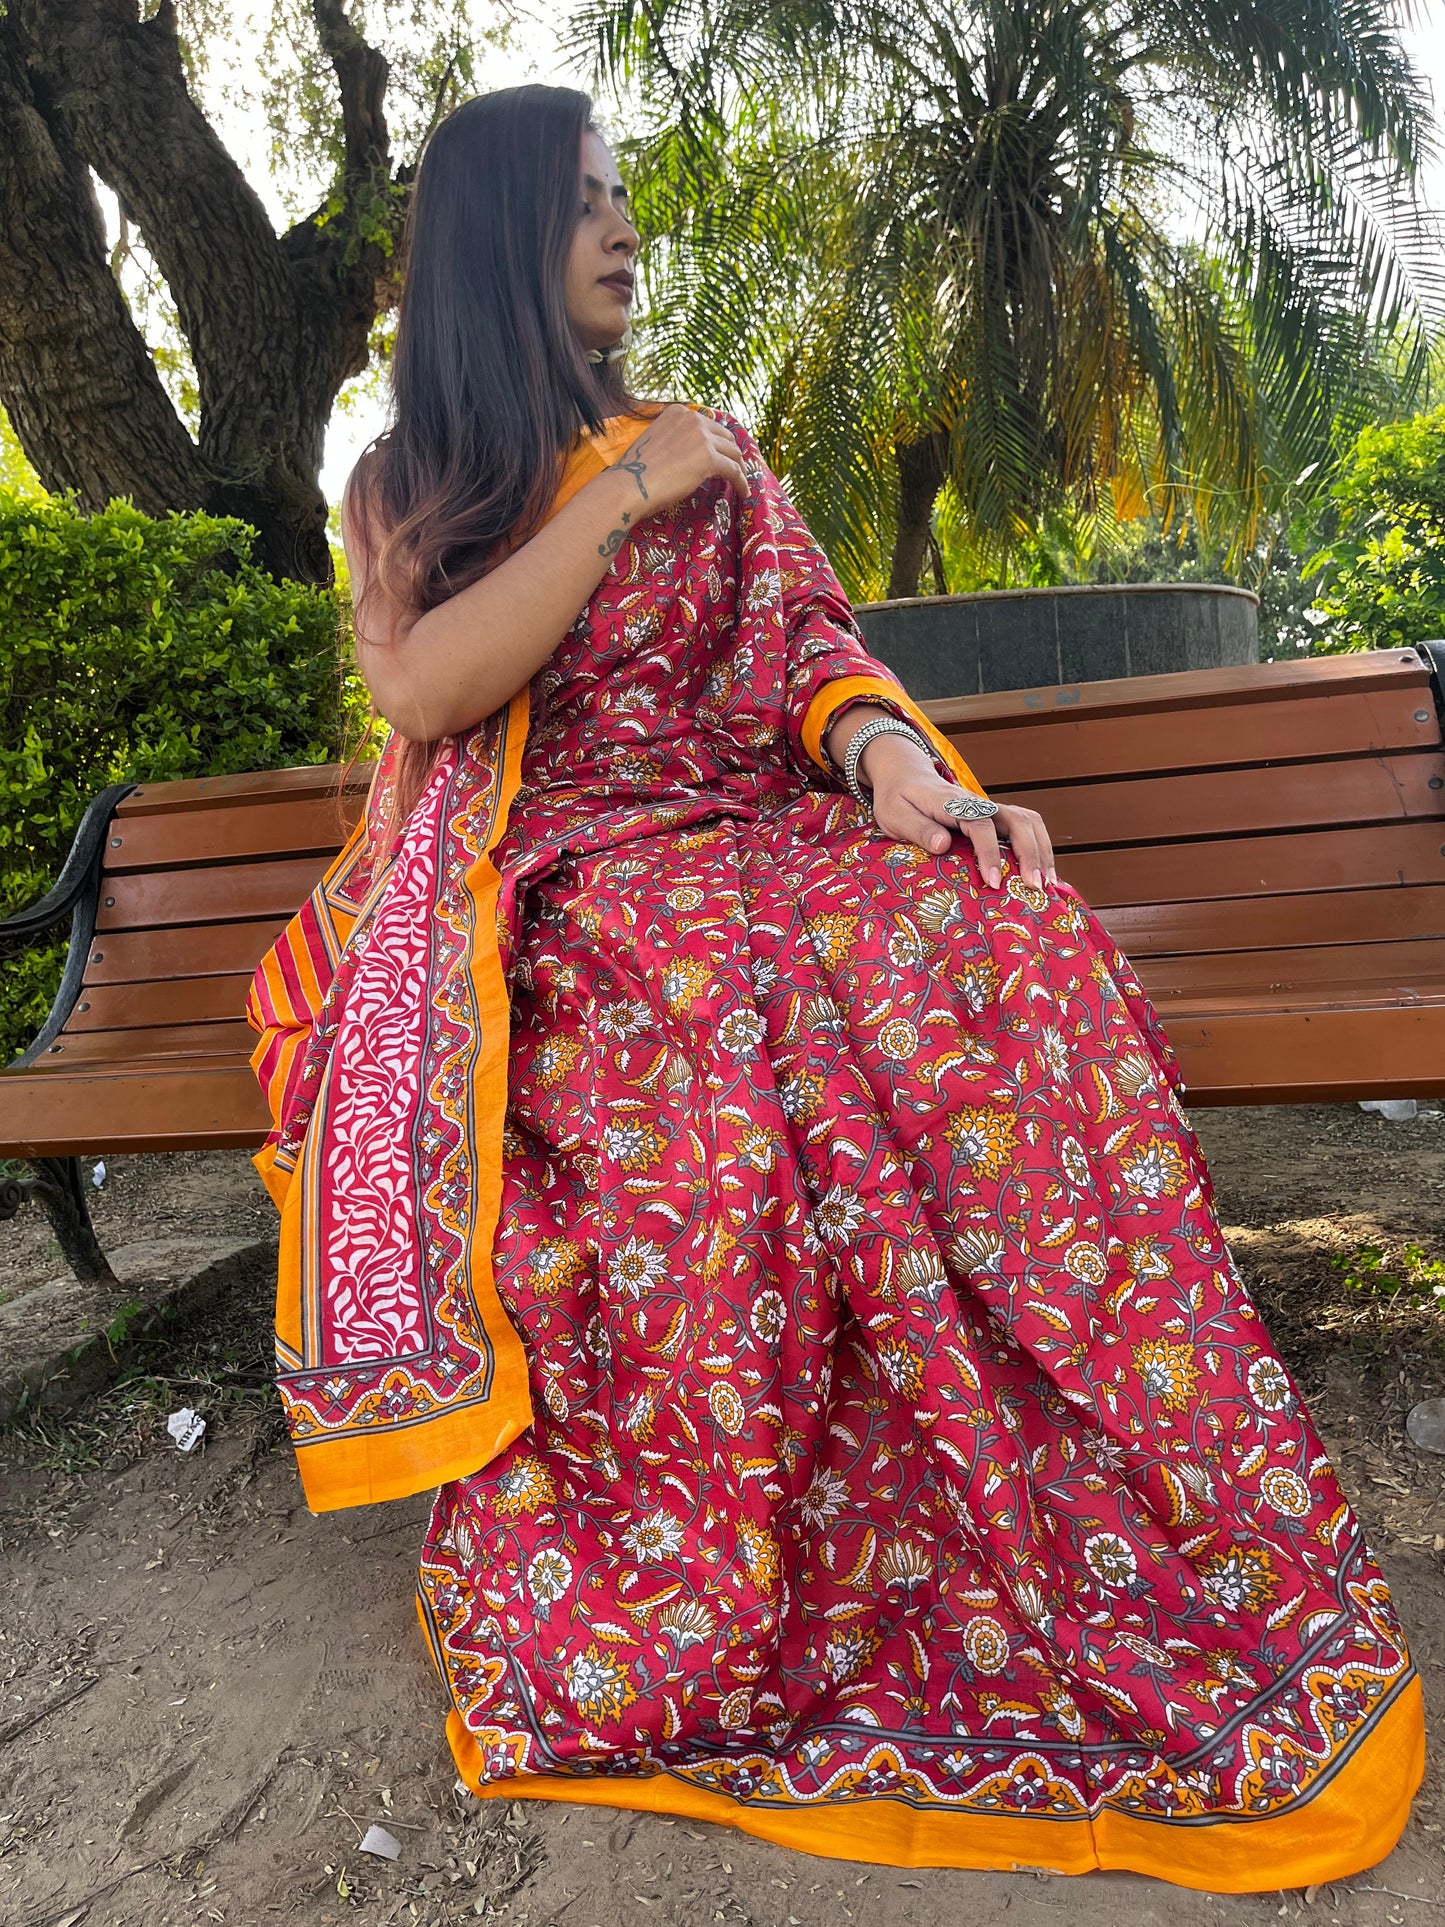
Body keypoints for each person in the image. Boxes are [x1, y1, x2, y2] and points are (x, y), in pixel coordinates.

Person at [246, 82, 1422, 1891]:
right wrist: (623, 493)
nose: (624, 226)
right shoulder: (418, 486)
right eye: (583, 204)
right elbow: (429, 695)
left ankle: (1089, 1461)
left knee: (997, 934)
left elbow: (811, 649)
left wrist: (897, 769)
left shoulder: (719, 456)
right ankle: (729, 1557)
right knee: (722, 1025)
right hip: (570, 887)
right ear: (498, 240)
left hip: (758, 833)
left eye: (625, 193)